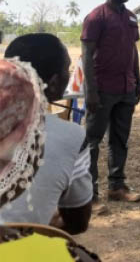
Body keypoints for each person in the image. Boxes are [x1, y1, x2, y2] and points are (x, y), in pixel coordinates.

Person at [0, 59, 100, 261]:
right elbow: (78, 222)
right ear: (53, 84)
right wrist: (37, 224)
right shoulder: (70, 136)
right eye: (66, 68)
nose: (69, 73)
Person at [80, 0, 140, 212]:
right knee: (92, 142)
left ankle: (117, 187)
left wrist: (138, 81)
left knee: (120, 140)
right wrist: (91, 91)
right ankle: (89, 195)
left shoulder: (131, 17)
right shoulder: (96, 17)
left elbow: (133, 51)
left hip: (126, 88)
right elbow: (86, 55)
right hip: (102, 90)